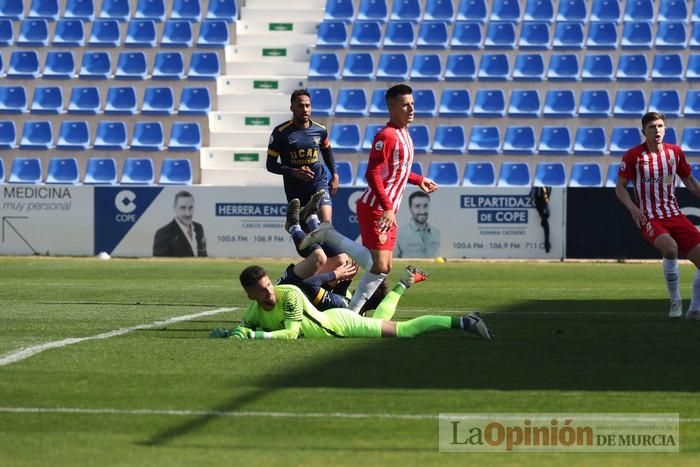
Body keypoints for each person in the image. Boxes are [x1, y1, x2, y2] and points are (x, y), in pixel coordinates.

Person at [303, 84, 438, 313]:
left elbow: (397, 171)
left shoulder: (405, 134)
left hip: (387, 210)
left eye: (412, 104)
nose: (411, 109)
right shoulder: (385, 136)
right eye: (405, 105)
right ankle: (352, 310)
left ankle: (352, 312)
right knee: (380, 266)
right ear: (392, 107)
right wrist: (386, 207)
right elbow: (372, 173)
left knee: (382, 267)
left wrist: (418, 179)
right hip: (376, 208)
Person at [209, 265, 494, 340]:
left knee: (404, 331)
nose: (269, 292)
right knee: (378, 322)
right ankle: (403, 283)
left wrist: (253, 336)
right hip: (335, 318)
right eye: (262, 290)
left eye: (269, 285)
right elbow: (244, 326)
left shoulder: (290, 294)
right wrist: (229, 333)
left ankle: (466, 321)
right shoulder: (253, 309)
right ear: (250, 295)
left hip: (340, 326)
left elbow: (291, 334)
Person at [615, 111, 700, 320]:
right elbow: (620, 188)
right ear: (644, 131)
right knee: (670, 249)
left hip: (675, 214)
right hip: (649, 217)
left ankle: (695, 308)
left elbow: (690, 182)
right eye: (652, 127)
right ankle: (675, 302)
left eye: (660, 126)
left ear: (665, 129)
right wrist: (633, 209)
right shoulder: (634, 155)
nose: (657, 131)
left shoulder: (675, 153)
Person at [267, 89, 339, 223]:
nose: (305, 109)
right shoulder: (280, 133)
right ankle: (295, 228)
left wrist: (335, 174)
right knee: (306, 239)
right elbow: (270, 165)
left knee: (325, 226)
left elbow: (327, 151)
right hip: (295, 190)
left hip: (318, 183)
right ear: (292, 108)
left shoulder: (320, 130)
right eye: (300, 106)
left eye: (308, 105)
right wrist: (294, 172)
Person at [153, 190, 207, 257]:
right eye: (183, 208)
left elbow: (204, 256)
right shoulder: (163, 233)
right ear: (174, 208)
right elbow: (160, 263)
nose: (188, 213)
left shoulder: (199, 228)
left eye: (191, 207)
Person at [395, 191, 441, 258]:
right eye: (417, 206)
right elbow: (394, 261)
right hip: (409, 268)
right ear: (410, 208)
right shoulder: (399, 233)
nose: (422, 211)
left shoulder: (437, 232)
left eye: (425, 206)